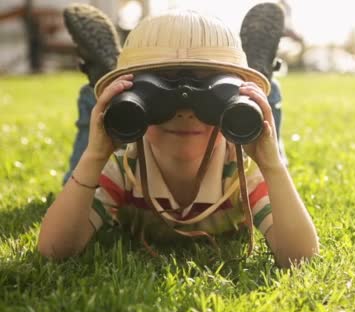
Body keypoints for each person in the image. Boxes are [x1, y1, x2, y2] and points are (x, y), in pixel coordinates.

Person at [38, 8, 319, 268]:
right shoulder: (124, 168)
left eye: (211, 94)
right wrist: (95, 156)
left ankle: (258, 76)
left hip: (233, 134)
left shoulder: (241, 171)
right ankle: (108, 83)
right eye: (159, 93)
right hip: (133, 138)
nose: (184, 112)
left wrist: (272, 166)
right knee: (84, 160)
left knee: (260, 124)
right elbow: (54, 249)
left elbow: (300, 256)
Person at [62, 2, 289, 184]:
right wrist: (98, 151)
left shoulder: (244, 175)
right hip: (140, 144)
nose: (185, 113)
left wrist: (245, 103)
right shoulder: (120, 171)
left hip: (222, 149)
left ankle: (110, 77)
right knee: (117, 123)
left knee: (253, 124)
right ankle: (257, 80)